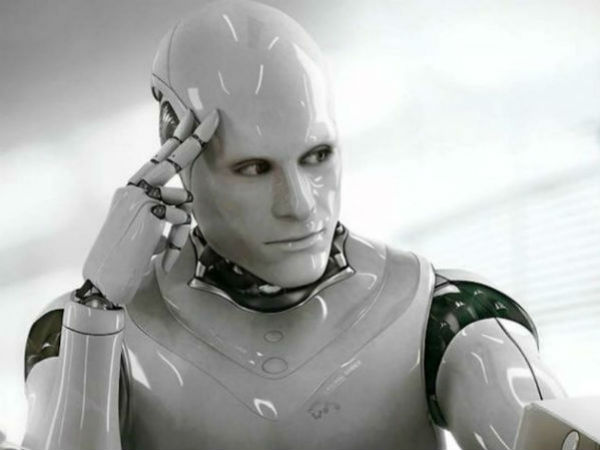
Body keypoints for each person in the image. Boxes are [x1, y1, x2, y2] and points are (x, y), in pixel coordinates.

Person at [18, 1, 566, 449]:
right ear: (177, 157)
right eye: (254, 168)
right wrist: (96, 313)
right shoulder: (83, 332)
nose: (300, 206)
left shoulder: (445, 314)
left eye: (317, 156)